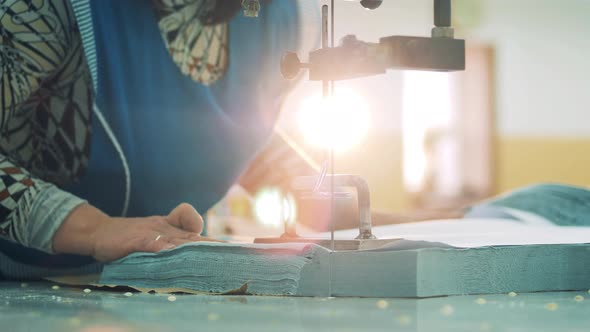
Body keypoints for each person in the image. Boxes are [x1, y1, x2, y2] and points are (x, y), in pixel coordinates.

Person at [0, 0, 318, 274]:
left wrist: (319, 193)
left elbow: (223, 128)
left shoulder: (273, 17)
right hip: (32, 283)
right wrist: (96, 229)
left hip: (173, 281)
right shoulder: (44, 12)